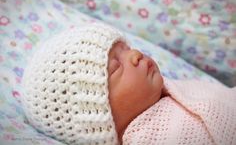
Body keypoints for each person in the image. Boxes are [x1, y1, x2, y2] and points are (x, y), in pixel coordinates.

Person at [21, 23, 236, 145]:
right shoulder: (148, 138)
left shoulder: (170, 89)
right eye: (116, 67)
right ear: (98, 116)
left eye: (126, 48)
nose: (135, 54)